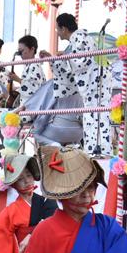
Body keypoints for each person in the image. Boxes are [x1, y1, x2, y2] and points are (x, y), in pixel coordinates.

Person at [48, 13, 110, 155]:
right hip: (92, 84)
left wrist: (61, 59)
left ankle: (98, 152)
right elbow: (73, 63)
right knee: (93, 118)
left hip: (95, 83)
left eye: (57, 29)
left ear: (64, 29)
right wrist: (57, 58)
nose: (57, 33)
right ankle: (95, 150)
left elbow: (80, 62)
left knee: (96, 118)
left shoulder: (80, 38)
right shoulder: (77, 40)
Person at [14, 35, 47, 108]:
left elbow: (33, 88)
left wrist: (18, 80)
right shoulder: (29, 65)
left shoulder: (34, 65)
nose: (20, 54)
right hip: (27, 105)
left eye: (22, 51)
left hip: (32, 107)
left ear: (32, 49)